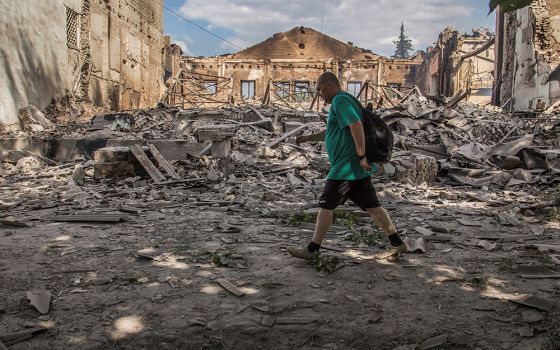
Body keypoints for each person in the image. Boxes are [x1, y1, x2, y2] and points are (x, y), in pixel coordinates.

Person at [288, 72, 407, 261]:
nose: (318, 93)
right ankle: (398, 244)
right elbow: (332, 130)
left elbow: (356, 125)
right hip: (354, 171)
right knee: (373, 207)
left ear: (329, 84)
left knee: (326, 205)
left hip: (345, 168)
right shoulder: (346, 101)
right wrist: (308, 138)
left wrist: (361, 155)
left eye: (319, 88)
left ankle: (312, 250)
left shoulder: (340, 100)